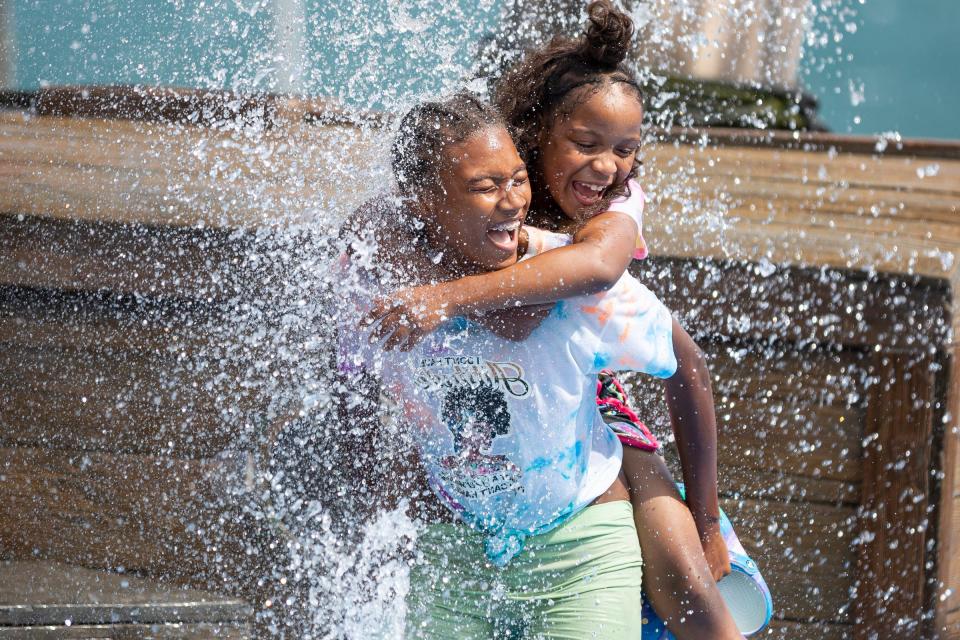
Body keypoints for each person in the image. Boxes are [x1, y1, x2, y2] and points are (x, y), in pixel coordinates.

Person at [360, 2, 741, 637]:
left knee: (682, 566)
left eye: (626, 149)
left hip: (592, 393)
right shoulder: (504, 168)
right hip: (487, 446)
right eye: (586, 144)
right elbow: (384, 218)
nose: (606, 165)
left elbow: (590, 272)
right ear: (537, 137)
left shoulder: (616, 204)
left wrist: (450, 296)